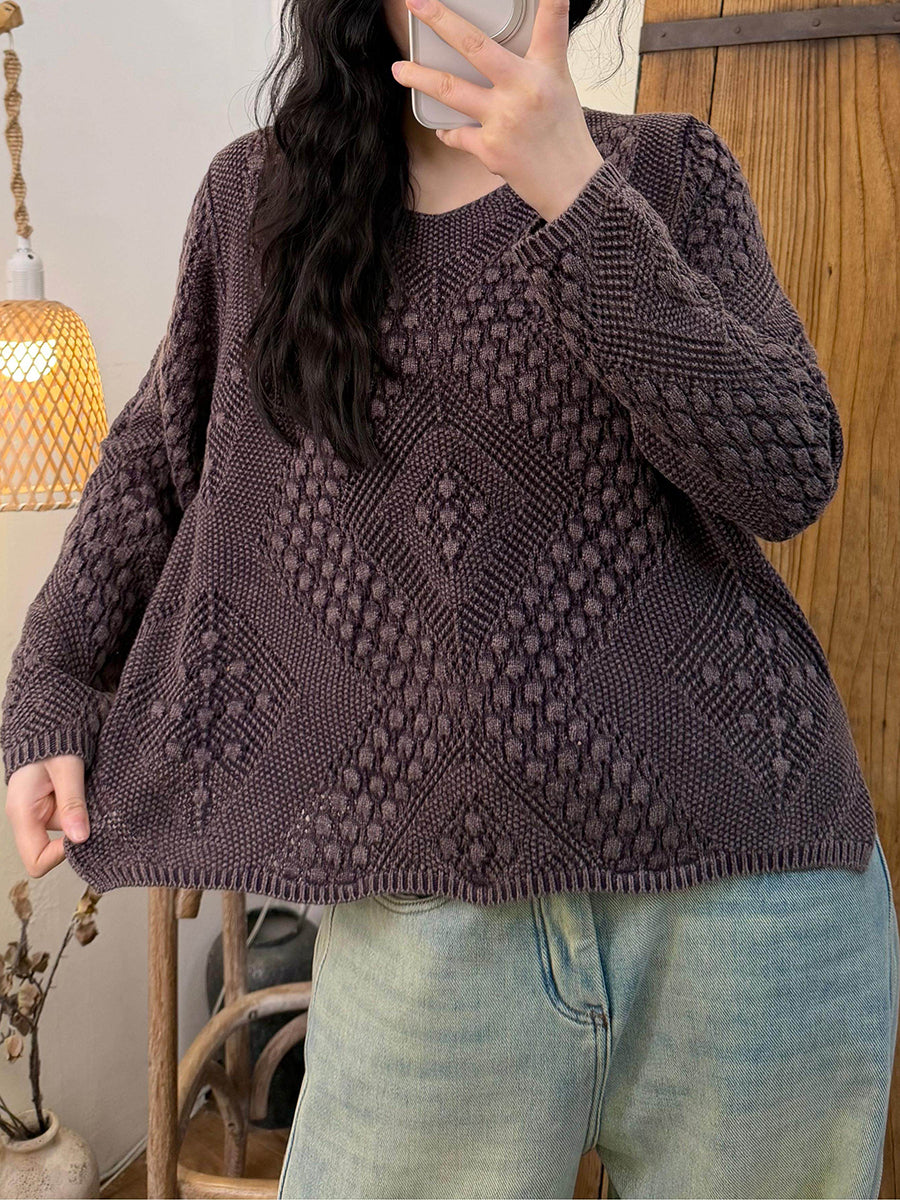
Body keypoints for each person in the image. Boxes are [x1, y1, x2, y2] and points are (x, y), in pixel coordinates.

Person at [2, 0, 897, 1196]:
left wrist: (575, 192)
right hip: (425, 911)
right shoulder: (259, 207)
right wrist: (52, 679)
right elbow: (157, 462)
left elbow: (788, 472)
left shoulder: (671, 172)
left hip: (747, 893)